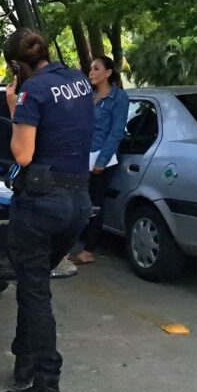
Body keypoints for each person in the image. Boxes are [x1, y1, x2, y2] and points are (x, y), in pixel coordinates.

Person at [1, 29, 94, 392]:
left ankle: (46, 388)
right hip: (78, 202)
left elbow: (23, 154)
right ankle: (24, 363)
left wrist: (13, 107)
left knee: (35, 293)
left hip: (41, 204)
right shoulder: (78, 81)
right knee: (32, 284)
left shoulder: (32, 93)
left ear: (16, 66)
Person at [70, 56, 129, 265]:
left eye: (96, 69)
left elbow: (116, 132)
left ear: (108, 73)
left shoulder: (118, 98)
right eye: (90, 69)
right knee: (77, 201)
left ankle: (89, 250)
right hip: (82, 155)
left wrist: (101, 161)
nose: (91, 72)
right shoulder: (89, 95)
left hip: (101, 158)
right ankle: (75, 243)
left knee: (95, 202)